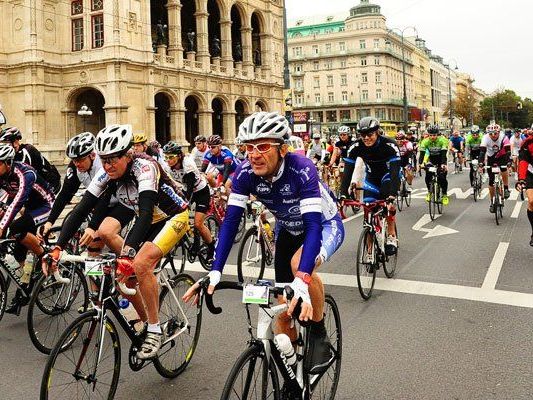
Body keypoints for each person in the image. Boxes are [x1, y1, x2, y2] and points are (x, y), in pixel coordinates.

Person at [183, 111, 344, 382]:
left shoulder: (301, 167)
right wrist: (215, 271)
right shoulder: (246, 172)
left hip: (323, 226)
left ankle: (318, 332)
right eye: (248, 147)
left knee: (298, 266)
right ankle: (294, 375)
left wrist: (303, 280)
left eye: (263, 146)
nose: (254, 154)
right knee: (281, 309)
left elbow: (314, 226)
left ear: (282, 149)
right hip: (287, 230)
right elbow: (231, 222)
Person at [47, 124, 190, 359]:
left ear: (128, 154)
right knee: (122, 277)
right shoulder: (107, 174)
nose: (107, 166)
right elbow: (82, 209)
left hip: (173, 215)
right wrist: (57, 247)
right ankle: (146, 320)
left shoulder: (145, 167)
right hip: (149, 219)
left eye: (113, 159)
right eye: (104, 160)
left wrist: (128, 254)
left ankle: (155, 330)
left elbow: (144, 213)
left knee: (140, 263)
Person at [39, 132, 135, 255]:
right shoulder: (76, 166)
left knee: (104, 233)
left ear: (92, 155)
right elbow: (64, 195)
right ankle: (97, 274)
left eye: (80, 160)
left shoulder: (103, 165)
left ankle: (131, 265)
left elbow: (104, 198)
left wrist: (92, 226)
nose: (77, 164)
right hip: (101, 203)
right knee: (92, 246)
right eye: (74, 161)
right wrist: (49, 222)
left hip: (121, 202)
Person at [0, 144, 55, 315]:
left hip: (46, 206)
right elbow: (7, 200)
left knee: (15, 228)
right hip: (29, 207)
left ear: (8, 163)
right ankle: (27, 280)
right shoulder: (3, 175)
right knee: (18, 252)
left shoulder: (25, 173)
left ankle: (43, 256)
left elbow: (17, 202)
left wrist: (2, 226)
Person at [340, 117, 400, 257]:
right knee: (368, 212)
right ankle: (369, 252)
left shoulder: (389, 145)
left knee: (387, 205)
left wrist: (392, 194)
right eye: (363, 135)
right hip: (371, 179)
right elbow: (348, 171)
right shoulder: (355, 147)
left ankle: (391, 235)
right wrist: (343, 194)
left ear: (377, 132)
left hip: (388, 176)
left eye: (370, 134)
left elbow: (395, 172)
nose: (366, 138)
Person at [162, 141, 215, 259]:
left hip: (201, 192)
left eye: (171, 157)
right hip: (185, 189)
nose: (168, 160)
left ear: (179, 156)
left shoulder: (188, 165)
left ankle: (212, 247)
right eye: (166, 157)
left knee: (198, 224)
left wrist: (184, 205)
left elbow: (189, 191)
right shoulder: (167, 166)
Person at [0, 126, 61, 193]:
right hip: (35, 184)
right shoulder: (13, 154)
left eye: (6, 143)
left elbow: (23, 176)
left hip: (50, 183)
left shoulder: (27, 151)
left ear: (15, 142)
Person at [478, 124, 511, 213]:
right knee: (491, 181)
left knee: (504, 169)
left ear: (499, 132)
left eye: (495, 134)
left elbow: (508, 151)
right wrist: (480, 163)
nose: (493, 136)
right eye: (491, 134)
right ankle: (492, 202)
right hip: (491, 157)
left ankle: (506, 188)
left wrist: (509, 162)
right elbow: (482, 152)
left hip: (502, 155)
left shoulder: (504, 137)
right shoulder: (485, 138)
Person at [419, 125, 450, 205]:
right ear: (428, 134)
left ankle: (444, 195)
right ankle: (429, 192)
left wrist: (443, 164)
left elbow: (444, 154)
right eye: (431, 135)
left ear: (438, 134)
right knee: (428, 176)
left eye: (434, 135)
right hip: (431, 160)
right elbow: (422, 154)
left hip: (441, 160)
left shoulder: (443, 140)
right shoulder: (425, 141)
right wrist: (420, 164)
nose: (432, 137)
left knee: (442, 177)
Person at [516, 126, 533, 246]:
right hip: (531, 173)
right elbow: (523, 162)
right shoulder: (528, 143)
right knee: (532, 201)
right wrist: (521, 179)